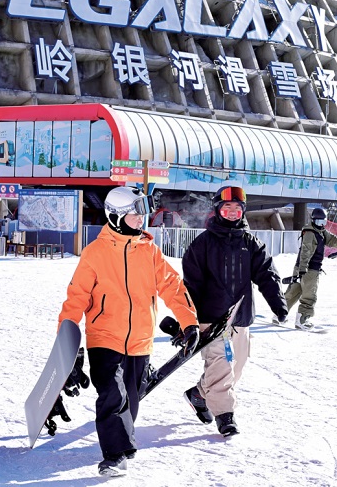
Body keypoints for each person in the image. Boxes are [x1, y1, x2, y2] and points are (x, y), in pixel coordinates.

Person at [57, 186, 198, 477]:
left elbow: (172, 286)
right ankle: (115, 455)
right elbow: (76, 299)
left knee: (130, 400)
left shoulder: (149, 251)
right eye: (135, 214)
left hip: (140, 340)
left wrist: (189, 322)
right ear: (116, 216)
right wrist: (67, 344)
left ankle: (122, 440)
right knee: (111, 393)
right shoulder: (95, 253)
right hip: (104, 336)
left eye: (142, 213)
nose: (141, 219)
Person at [181, 185, 287, 437]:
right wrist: (187, 320)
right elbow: (191, 286)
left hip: (240, 317)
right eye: (227, 207)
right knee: (221, 366)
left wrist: (278, 303)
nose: (232, 212)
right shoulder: (202, 244)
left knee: (236, 367)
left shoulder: (251, 244)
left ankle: (199, 394)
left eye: (237, 208)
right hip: (211, 319)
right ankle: (225, 415)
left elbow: (267, 275)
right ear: (218, 209)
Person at [284, 207, 337, 330]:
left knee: (293, 292)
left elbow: (331, 239)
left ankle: (279, 314)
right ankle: (302, 320)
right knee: (309, 296)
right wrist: (303, 269)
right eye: (318, 222)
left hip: (301, 268)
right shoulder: (310, 233)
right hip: (309, 269)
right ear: (313, 221)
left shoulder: (320, 232)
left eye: (323, 222)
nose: (321, 225)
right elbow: (305, 252)